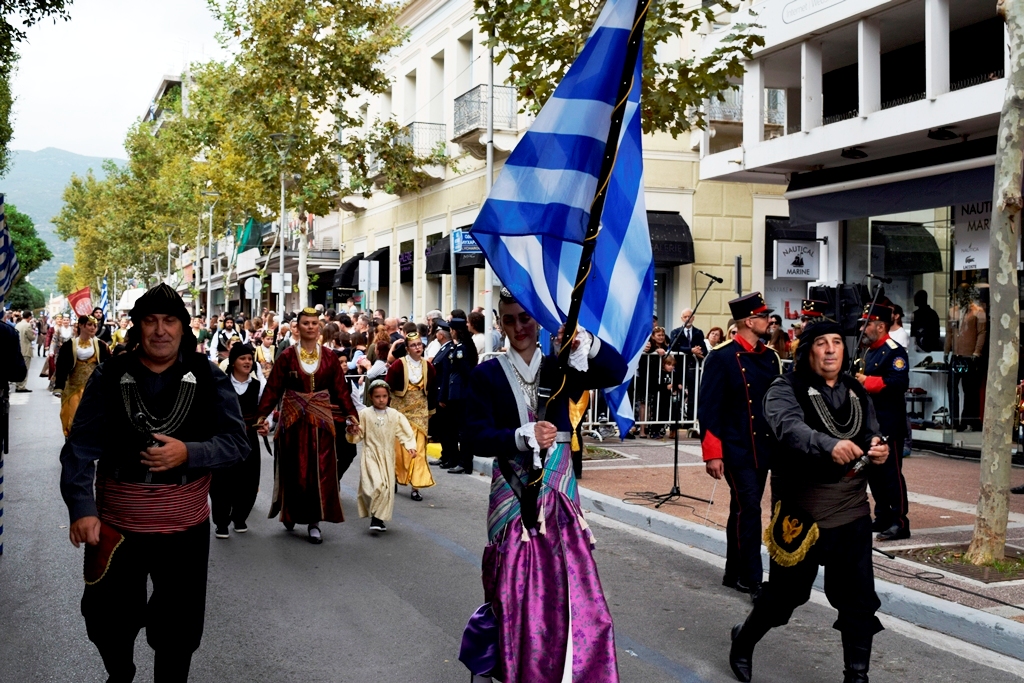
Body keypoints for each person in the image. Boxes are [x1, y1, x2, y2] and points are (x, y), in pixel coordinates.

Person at [59, 283, 249, 683]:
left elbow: (236, 444)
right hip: (116, 527)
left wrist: (190, 453)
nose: (160, 330)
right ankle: (120, 672)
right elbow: (79, 448)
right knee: (105, 618)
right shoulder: (110, 376)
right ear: (138, 327)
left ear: (183, 328)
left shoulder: (207, 375)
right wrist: (82, 508)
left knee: (178, 630)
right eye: (150, 321)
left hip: (184, 529)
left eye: (169, 321)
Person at [459, 288, 621, 683]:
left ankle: (570, 669)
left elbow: (614, 372)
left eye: (526, 318)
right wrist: (518, 435)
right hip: (511, 494)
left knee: (572, 583)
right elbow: (474, 435)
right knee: (513, 587)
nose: (519, 327)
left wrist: (586, 340)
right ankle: (513, 664)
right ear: (499, 324)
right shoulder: (486, 374)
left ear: (537, 321)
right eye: (510, 319)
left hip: (559, 491)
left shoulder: (562, 367)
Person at [728, 321, 888, 683]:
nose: (831, 350)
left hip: (851, 510)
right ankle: (744, 638)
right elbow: (787, 426)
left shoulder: (855, 391)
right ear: (807, 350)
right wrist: (827, 444)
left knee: (858, 599)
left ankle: (857, 676)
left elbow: (870, 431)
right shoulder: (784, 388)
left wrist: (878, 447)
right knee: (786, 597)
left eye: (836, 342)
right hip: (802, 513)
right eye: (821, 343)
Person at [697, 292, 782, 597]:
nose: (768, 321)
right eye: (763, 317)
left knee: (742, 509)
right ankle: (752, 577)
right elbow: (708, 409)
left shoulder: (770, 357)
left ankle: (733, 571)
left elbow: (778, 402)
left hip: (763, 447)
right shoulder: (720, 357)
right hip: (735, 447)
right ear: (749, 321)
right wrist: (713, 454)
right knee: (749, 508)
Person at [255, 307, 358, 544]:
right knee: (294, 470)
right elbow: (273, 389)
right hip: (292, 422)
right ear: (298, 327)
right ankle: (290, 512)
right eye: (305, 323)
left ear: (319, 327)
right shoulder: (288, 356)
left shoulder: (330, 357)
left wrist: (352, 416)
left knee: (319, 471)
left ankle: (314, 521)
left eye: (314, 323)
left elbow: (341, 391)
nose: (310, 327)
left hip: (321, 423)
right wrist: (263, 417)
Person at [855, 303, 911, 542]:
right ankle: (882, 516)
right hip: (869, 424)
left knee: (891, 474)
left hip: (888, 422)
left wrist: (867, 381)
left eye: (867, 324)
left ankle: (900, 522)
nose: (862, 328)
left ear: (880, 326)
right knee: (873, 474)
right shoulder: (867, 351)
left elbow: (898, 384)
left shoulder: (894, 351)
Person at [346, 379, 418, 532]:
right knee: (375, 485)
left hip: (387, 456)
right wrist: (352, 431)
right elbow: (358, 435)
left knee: (386, 487)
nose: (381, 399)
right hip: (370, 455)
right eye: (377, 396)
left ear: (388, 397)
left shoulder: (394, 415)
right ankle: (375, 514)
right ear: (371, 397)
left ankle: (377, 519)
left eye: (384, 396)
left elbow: (404, 432)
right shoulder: (364, 414)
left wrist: (410, 446)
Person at [211, 343, 265, 538]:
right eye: (243, 358)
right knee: (221, 481)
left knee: (249, 480)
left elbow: (263, 412)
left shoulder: (257, 385)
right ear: (233, 362)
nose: (247, 362)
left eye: (250, 359)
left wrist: (263, 423)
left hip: (248, 439)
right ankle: (222, 523)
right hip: (225, 438)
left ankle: (240, 517)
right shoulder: (220, 384)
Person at [386, 331, 437, 496]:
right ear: (407, 348)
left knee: (419, 449)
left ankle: (416, 486)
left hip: (420, 411)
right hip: (401, 410)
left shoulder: (428, 366)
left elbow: (432, 390)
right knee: (400, 448)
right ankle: (394, 475)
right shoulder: (398, 365)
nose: (417, 348)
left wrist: (431, 410)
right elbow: (387, 387)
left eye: (419, 344)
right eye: (413, 345)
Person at [54, 315, 112, 437]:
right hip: (74, 388)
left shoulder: (101, 346)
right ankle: (73, 441)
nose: (93, 328)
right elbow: (62, 367)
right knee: (74, 416)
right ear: (81, 325)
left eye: (95, 325)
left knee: (93, 416)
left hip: (94, 388)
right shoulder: (69, 345)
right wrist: (59, 386)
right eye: (90, 325)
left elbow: (108, 366)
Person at [945, 292, 986, 432]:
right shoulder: (953, 312)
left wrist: (977, 351)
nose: (961, 298)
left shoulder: (978, 312)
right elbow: (949, 332)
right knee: (952, 387)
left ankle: (966, 420)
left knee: (969, 389)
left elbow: (982, 332)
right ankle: (954, 420)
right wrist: (946, 351)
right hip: (956, 356)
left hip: (970, 356)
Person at [442, 318, 478, 474]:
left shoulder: (463, 348)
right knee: (457, 428)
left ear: (455, 330)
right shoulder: (458, 347)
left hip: (461, 393)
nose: (450, 331)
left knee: (463, 430)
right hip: (456, 393)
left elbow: (466, 372)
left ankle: (465, 462)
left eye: (451, 329)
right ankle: (459, 460)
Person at [14, 309, 35, 393]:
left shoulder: (17, 324)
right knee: (25, 368)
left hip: (18, 349)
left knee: (18, 368)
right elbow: (31, 337)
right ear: (29, 317)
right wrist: (33, 334)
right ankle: (21, 386)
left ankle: (18, 384)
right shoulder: (27, 325)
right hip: (26, 349)